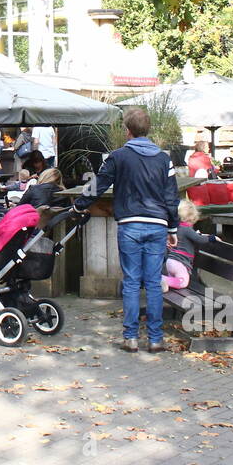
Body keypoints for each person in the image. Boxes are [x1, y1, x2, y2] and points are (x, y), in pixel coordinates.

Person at [76, 107, 180, 354]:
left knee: (132, 282)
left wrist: (78, 204)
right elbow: (171, 196)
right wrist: (173, 227)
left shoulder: (118, 157)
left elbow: (98, 185)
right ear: (148, 129)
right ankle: (156, 339)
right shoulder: (164, 159)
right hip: (158, 225)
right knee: (154, 282)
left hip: (130, 225)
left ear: (127, 130)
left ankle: (131, 338)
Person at [166, 199, 214, 291]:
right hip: (180, 263)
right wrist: (212, 238)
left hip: (171, 261)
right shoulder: (186, 229)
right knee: (183, 282)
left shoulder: (175, 228)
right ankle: (161, 280)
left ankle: (165, 282)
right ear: (190, 218)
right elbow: (199, 239)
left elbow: (194, 236)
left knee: (173, 282)